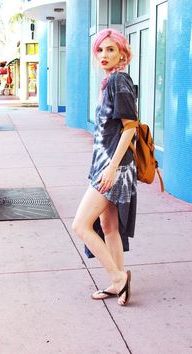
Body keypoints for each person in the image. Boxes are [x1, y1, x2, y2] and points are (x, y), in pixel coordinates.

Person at [72, 28, 138, 306]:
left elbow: (130, 127)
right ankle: (117, 283)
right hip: (107, 165)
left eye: (111, 49)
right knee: (108, 226)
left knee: (80, 225)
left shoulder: (119, 81)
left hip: (113, 169)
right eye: (100, 50)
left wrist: (110, 168)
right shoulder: (111, 81)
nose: (104, 54)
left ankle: (118, 276)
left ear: (122, 53)